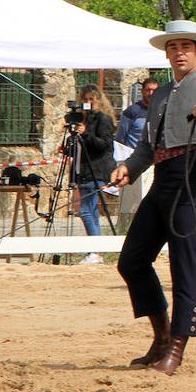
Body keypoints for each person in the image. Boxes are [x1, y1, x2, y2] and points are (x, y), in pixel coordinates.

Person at [108, 20, 196, 376]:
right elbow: (148, 146)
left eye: (185, 46)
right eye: (173, 47)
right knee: (132, 261)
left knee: (183, 264)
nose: (179, 52)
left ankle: (178, 346)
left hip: (195, 178)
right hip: (162, 179)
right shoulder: (161, 94)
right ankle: (161, 334)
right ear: (167, 54)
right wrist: (129, 169)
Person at [69, 84, 116, 264]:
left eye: (91, 100)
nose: (88, 103)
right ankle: (95, 250)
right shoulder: (82, 119)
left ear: (98, 101)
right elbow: (80, 146)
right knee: (91, 211)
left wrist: (86, 133)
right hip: (83, 169)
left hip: (96, 169)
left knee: (85, 210)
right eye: (85, 100)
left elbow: (104, 145)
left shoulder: (103, 120)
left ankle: (94, 251)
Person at [114, 78, 159, 233]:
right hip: (134, 161)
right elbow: (121, 137)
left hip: (155, 162)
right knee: (131, 203)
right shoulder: (132, 112)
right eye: (148, 90)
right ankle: (128, 230)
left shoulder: (161, 110)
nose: (151, 93)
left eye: (154, 90)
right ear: (142, 91)